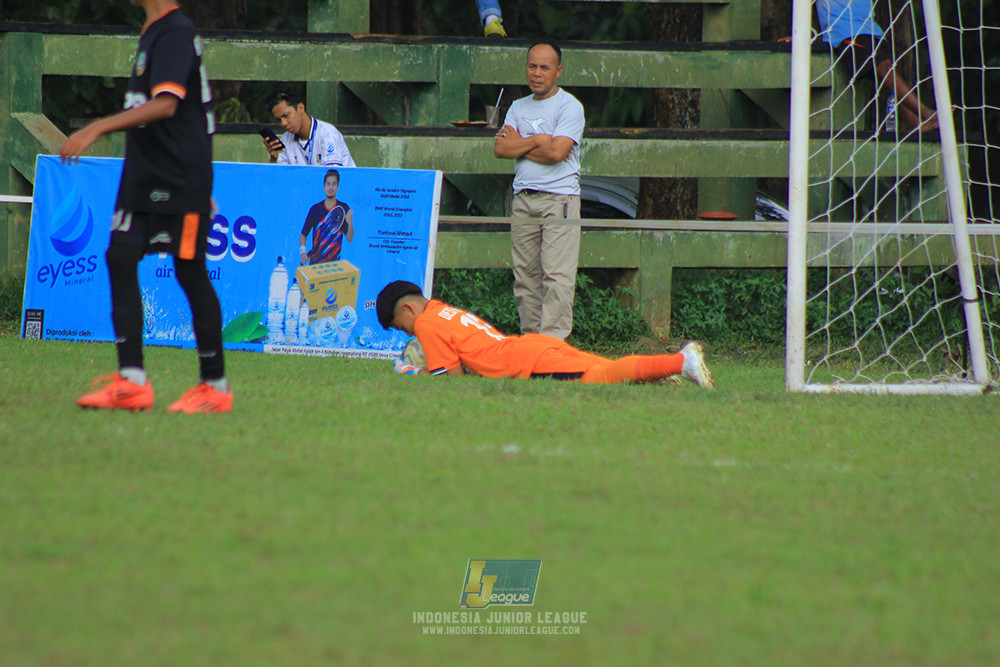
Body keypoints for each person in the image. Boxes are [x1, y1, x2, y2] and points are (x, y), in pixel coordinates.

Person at [58, 0, 232, 413]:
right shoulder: (151, 30)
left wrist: (97, 126)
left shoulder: (175, 30)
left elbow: (168, 105)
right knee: (119, 256)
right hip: (144, 176)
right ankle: (132, 381)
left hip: (178, 178)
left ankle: (214, 387)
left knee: (189, 271)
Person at [376, 280, 715, 388]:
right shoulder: (440, 309)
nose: (408, 333)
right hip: (533, 344)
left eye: (400, 326)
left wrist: (418, 374)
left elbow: (453, 381)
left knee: (600, 377)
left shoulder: (425, 323)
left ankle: (680, 360)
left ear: (407, 311)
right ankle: (661, 371)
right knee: (606, 365)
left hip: (525, 359)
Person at [493, 41, 585, 341]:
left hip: (560, 199)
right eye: (532, 66)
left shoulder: (570, 106)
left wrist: (522, 142)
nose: (537, 73)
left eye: (545, 67)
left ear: (558, 71)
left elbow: (558, 152)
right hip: (524, 199)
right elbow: (501, 148)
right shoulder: (518, 106)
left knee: (557, 276)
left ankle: (552, 344)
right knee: (525, 277)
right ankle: (531, 341)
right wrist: (538, 140)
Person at [785, 0, 939, 132]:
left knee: (886, 75)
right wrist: (800, 33)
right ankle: (925, 112)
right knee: (885, 68)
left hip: (872, 32)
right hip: (846, 35)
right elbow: (805, 7)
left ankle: (914, 120)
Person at [262, 88, 356, 167]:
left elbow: (332, 177)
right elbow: (280, 181)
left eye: (286, 116)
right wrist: (274, 159)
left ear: (301, 108)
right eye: (279, 120)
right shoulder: (285, 140)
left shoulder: (327, 133)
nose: (283, 123)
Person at [300, 169, 354, 265]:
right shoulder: (315, 209)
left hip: (334, 266)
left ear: (337, 187)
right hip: (315, 265)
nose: (331, 187)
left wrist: (350, 222)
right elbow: (303, 235)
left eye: (334, 184)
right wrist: (303, 253)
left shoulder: (344, 208)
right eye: (328, 184)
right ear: (324, 186)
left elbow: (349, 238)